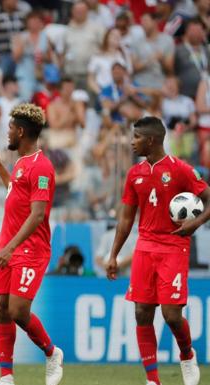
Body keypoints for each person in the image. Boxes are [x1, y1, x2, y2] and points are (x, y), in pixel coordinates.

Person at [107, 116, 209, 385]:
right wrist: (114, 254)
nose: (132, 142)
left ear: (151, 140)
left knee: (171, 315)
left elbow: (209, 200)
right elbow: (127, 218)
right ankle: (152, 380)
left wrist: (195, 224)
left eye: (136, 137)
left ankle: (186, 355)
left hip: (174, 246)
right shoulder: (134, 174)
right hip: (144, 248)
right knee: (142, 312)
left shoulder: (181, 170)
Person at [0, 104, 63, 385]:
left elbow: (38, 214)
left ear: (20, 131)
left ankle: (52, 352)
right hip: (7, 244)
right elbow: (14, 191)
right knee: (1, 307)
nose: (7, 133)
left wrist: (10, 248)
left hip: (30, 248)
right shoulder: (20, 163)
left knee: (18, 310)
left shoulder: (42, 166)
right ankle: (6, 376)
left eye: (9, 128)